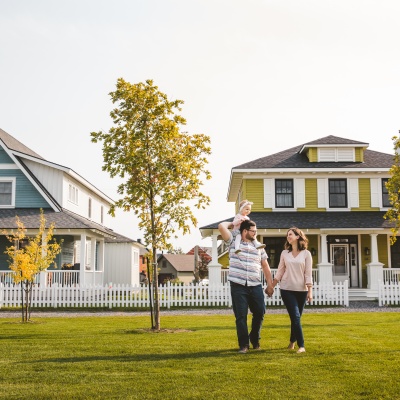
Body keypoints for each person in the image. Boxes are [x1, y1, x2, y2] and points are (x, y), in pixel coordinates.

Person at [218, 219, 274, 354]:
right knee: (241, 316)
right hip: (238, 285)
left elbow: (265, 266)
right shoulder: (232, 242)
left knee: (260, 312)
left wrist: (270, 284)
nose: (255, 233)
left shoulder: (258, 246)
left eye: (256, 231)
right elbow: (221, 226)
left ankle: (255, 339)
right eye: (253, 231)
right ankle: (244, 345)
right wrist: (234, 223)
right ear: (244, 231)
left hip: (255, 285)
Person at [266, 227, 313, 353]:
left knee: (295, 318)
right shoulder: (284, 253)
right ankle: (301, 345)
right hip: (286, 289)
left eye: (290, 234)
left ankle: (292, 342)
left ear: (298, 237)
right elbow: (280, 270)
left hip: (301, 290)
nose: (288, 236)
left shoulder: (306, 254)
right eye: (287, 235)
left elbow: (308, 273)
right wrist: (272, 285)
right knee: (296, 316)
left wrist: (310, 291)